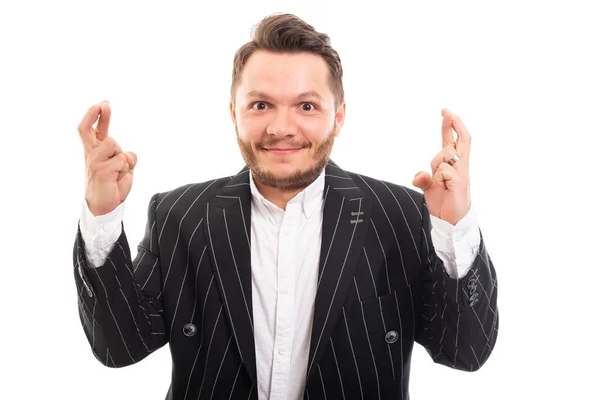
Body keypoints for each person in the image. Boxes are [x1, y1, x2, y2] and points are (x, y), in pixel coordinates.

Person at [73, 13, 498, 400]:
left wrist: (453, 227)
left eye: (307, 106)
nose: (281, 128)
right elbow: (119, 346)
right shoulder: (180, 216)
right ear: (234, 114)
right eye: (261, 105)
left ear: (339, 116)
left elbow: (465, 350)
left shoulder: (399, 215)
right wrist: (102, 215)